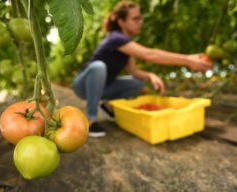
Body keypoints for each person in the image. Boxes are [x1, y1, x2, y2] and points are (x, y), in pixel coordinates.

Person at [72, 1, 212, 137]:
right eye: (135, 18)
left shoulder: (127, 43)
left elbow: (133, 71)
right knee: (98, 66)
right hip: (82, 85)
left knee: (137, 82)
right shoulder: (116, 38)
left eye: (140, 18)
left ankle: (108, 106)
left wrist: (150, 75)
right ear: (121, 22)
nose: (140, 22)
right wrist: (187, 60)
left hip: (103, 87)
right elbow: (149, 54)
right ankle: (91, 120)